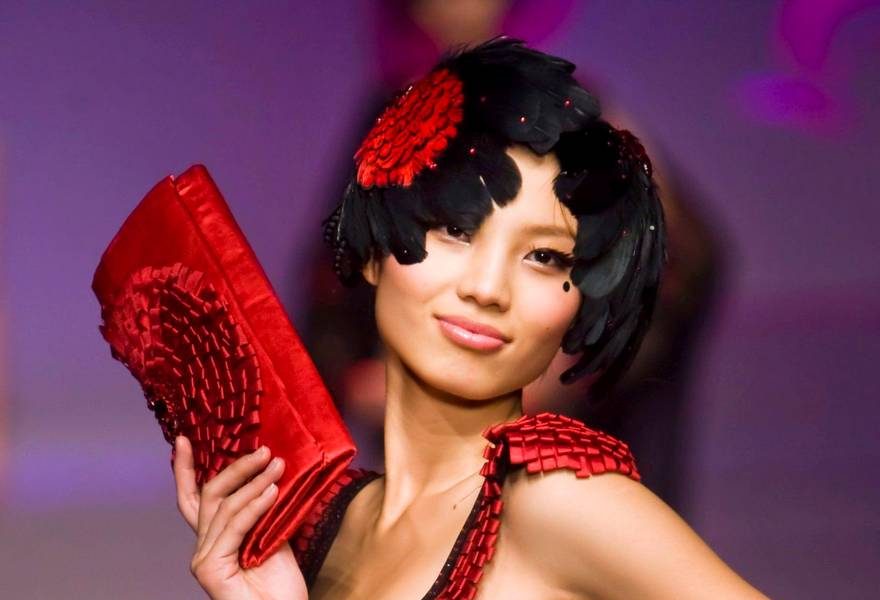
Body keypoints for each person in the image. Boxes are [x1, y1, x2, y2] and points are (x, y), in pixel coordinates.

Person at [172, 38, 767, 599]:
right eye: (456, 229)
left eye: (544, 257)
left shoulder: (561, 502)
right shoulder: (328, 530)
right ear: (375, 248)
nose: (487, 288)